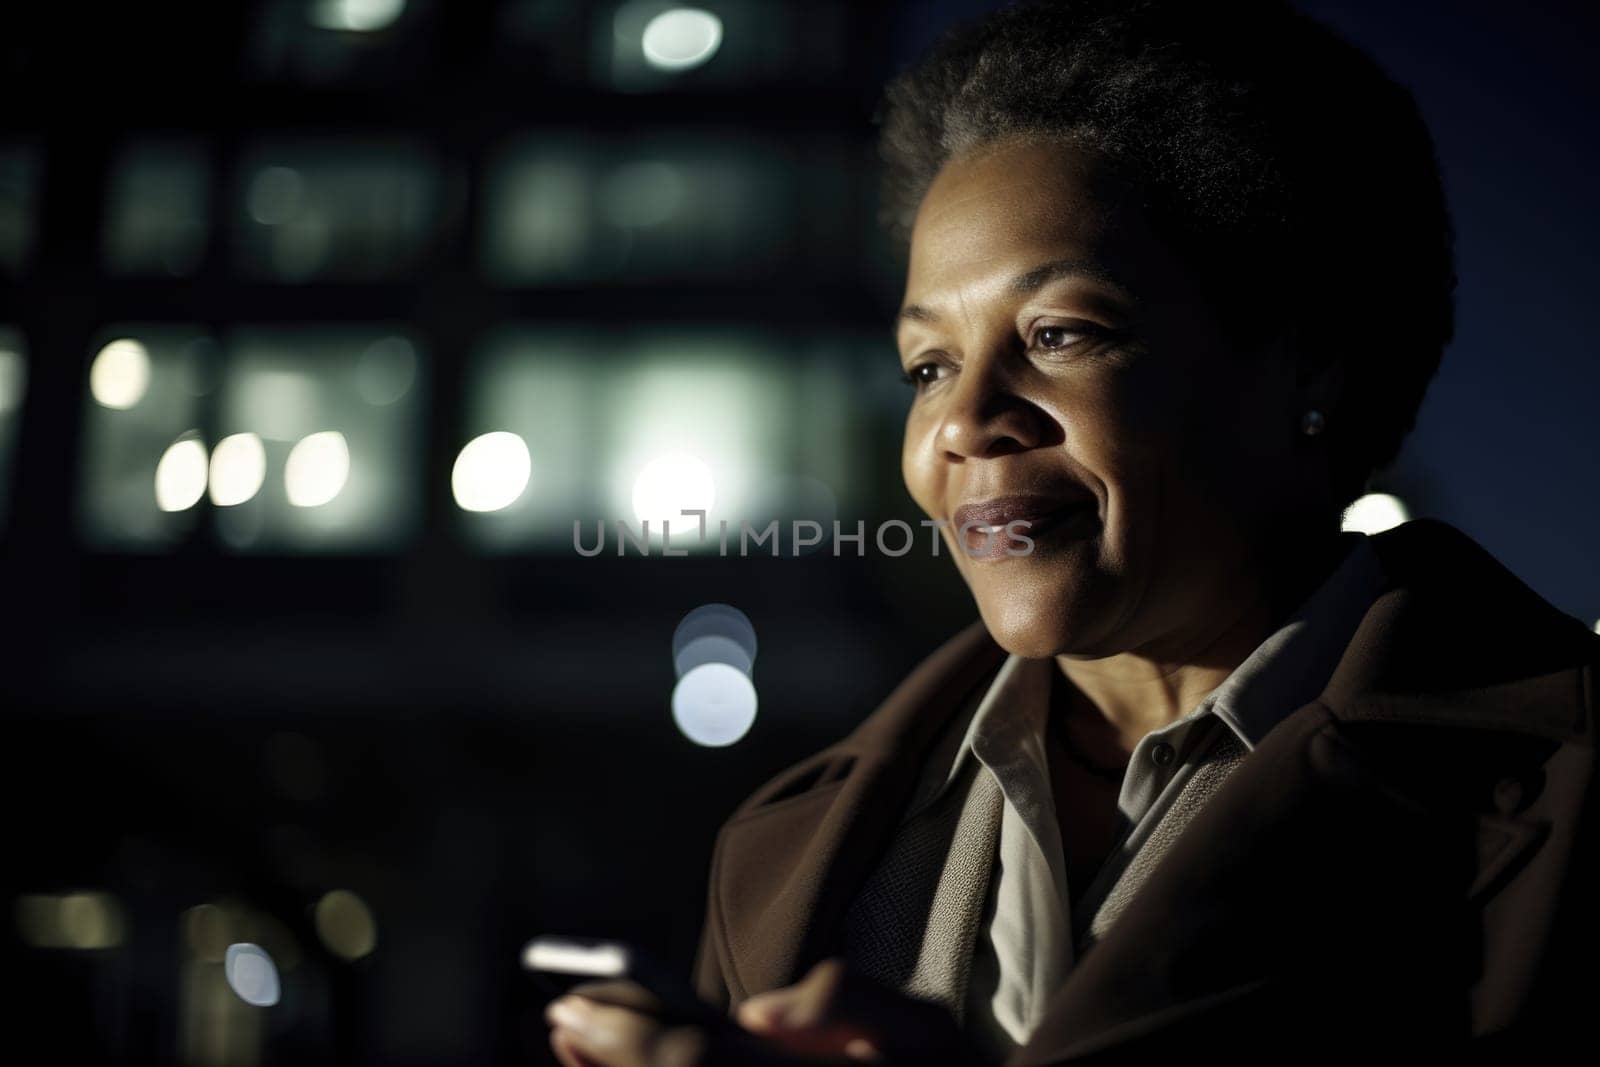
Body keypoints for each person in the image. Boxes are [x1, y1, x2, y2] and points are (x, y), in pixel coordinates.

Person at [544, 1, 1600, 1063]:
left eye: (1060, 334)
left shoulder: (1564, 790)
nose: (961, 422)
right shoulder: (785, 853)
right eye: (929, 366)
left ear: (1306, 362)